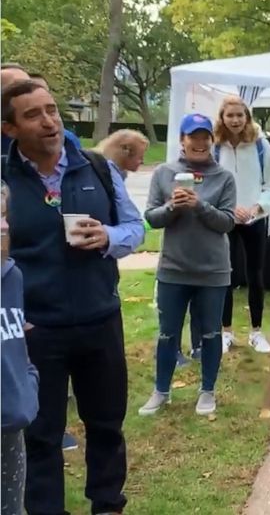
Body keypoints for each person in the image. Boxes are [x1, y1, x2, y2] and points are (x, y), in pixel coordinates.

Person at [2, 79, 144, 515]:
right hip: (37, 330)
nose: (49, 122)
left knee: (106, 426)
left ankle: (107, 505)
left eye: (51, 110)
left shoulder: (96, 167)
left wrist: (108, 236)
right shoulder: (3, 180)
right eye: (33, 115)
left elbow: (135, 229)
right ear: (9, 129)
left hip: (100, 320)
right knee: (41, 435)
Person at [139, 113, 237, 417]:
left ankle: (207, 391)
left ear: (211, 140)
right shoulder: (164, 173)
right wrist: (172, 207)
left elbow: (227, 223)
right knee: (168, 334)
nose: (199, 142)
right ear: (182, 141)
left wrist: (200, 206)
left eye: (204, 136)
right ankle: (161, 391)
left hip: (212, 270)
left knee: (210, 334)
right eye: (192, 137)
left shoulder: (224, 177)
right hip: (173, 269)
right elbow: (151, 218)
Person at [213, 96, 270, 354]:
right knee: (225, 275)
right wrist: (228, 208)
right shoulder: (215, 145)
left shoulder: (261, 145)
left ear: (247, 117)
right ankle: (225, 332)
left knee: (255, 274)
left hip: (254, 218)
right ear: (222, 117)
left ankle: (256, 332)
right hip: (225, 217)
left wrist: (257, 207)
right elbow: (211, 182)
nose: (235, 120)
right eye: (230, 115)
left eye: (240, 115)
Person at [1, 182, 40, 515]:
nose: (4, 226)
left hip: (11, 426)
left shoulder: (12, 277)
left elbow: (17, 342)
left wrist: (28, 386)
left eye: (3, 215)